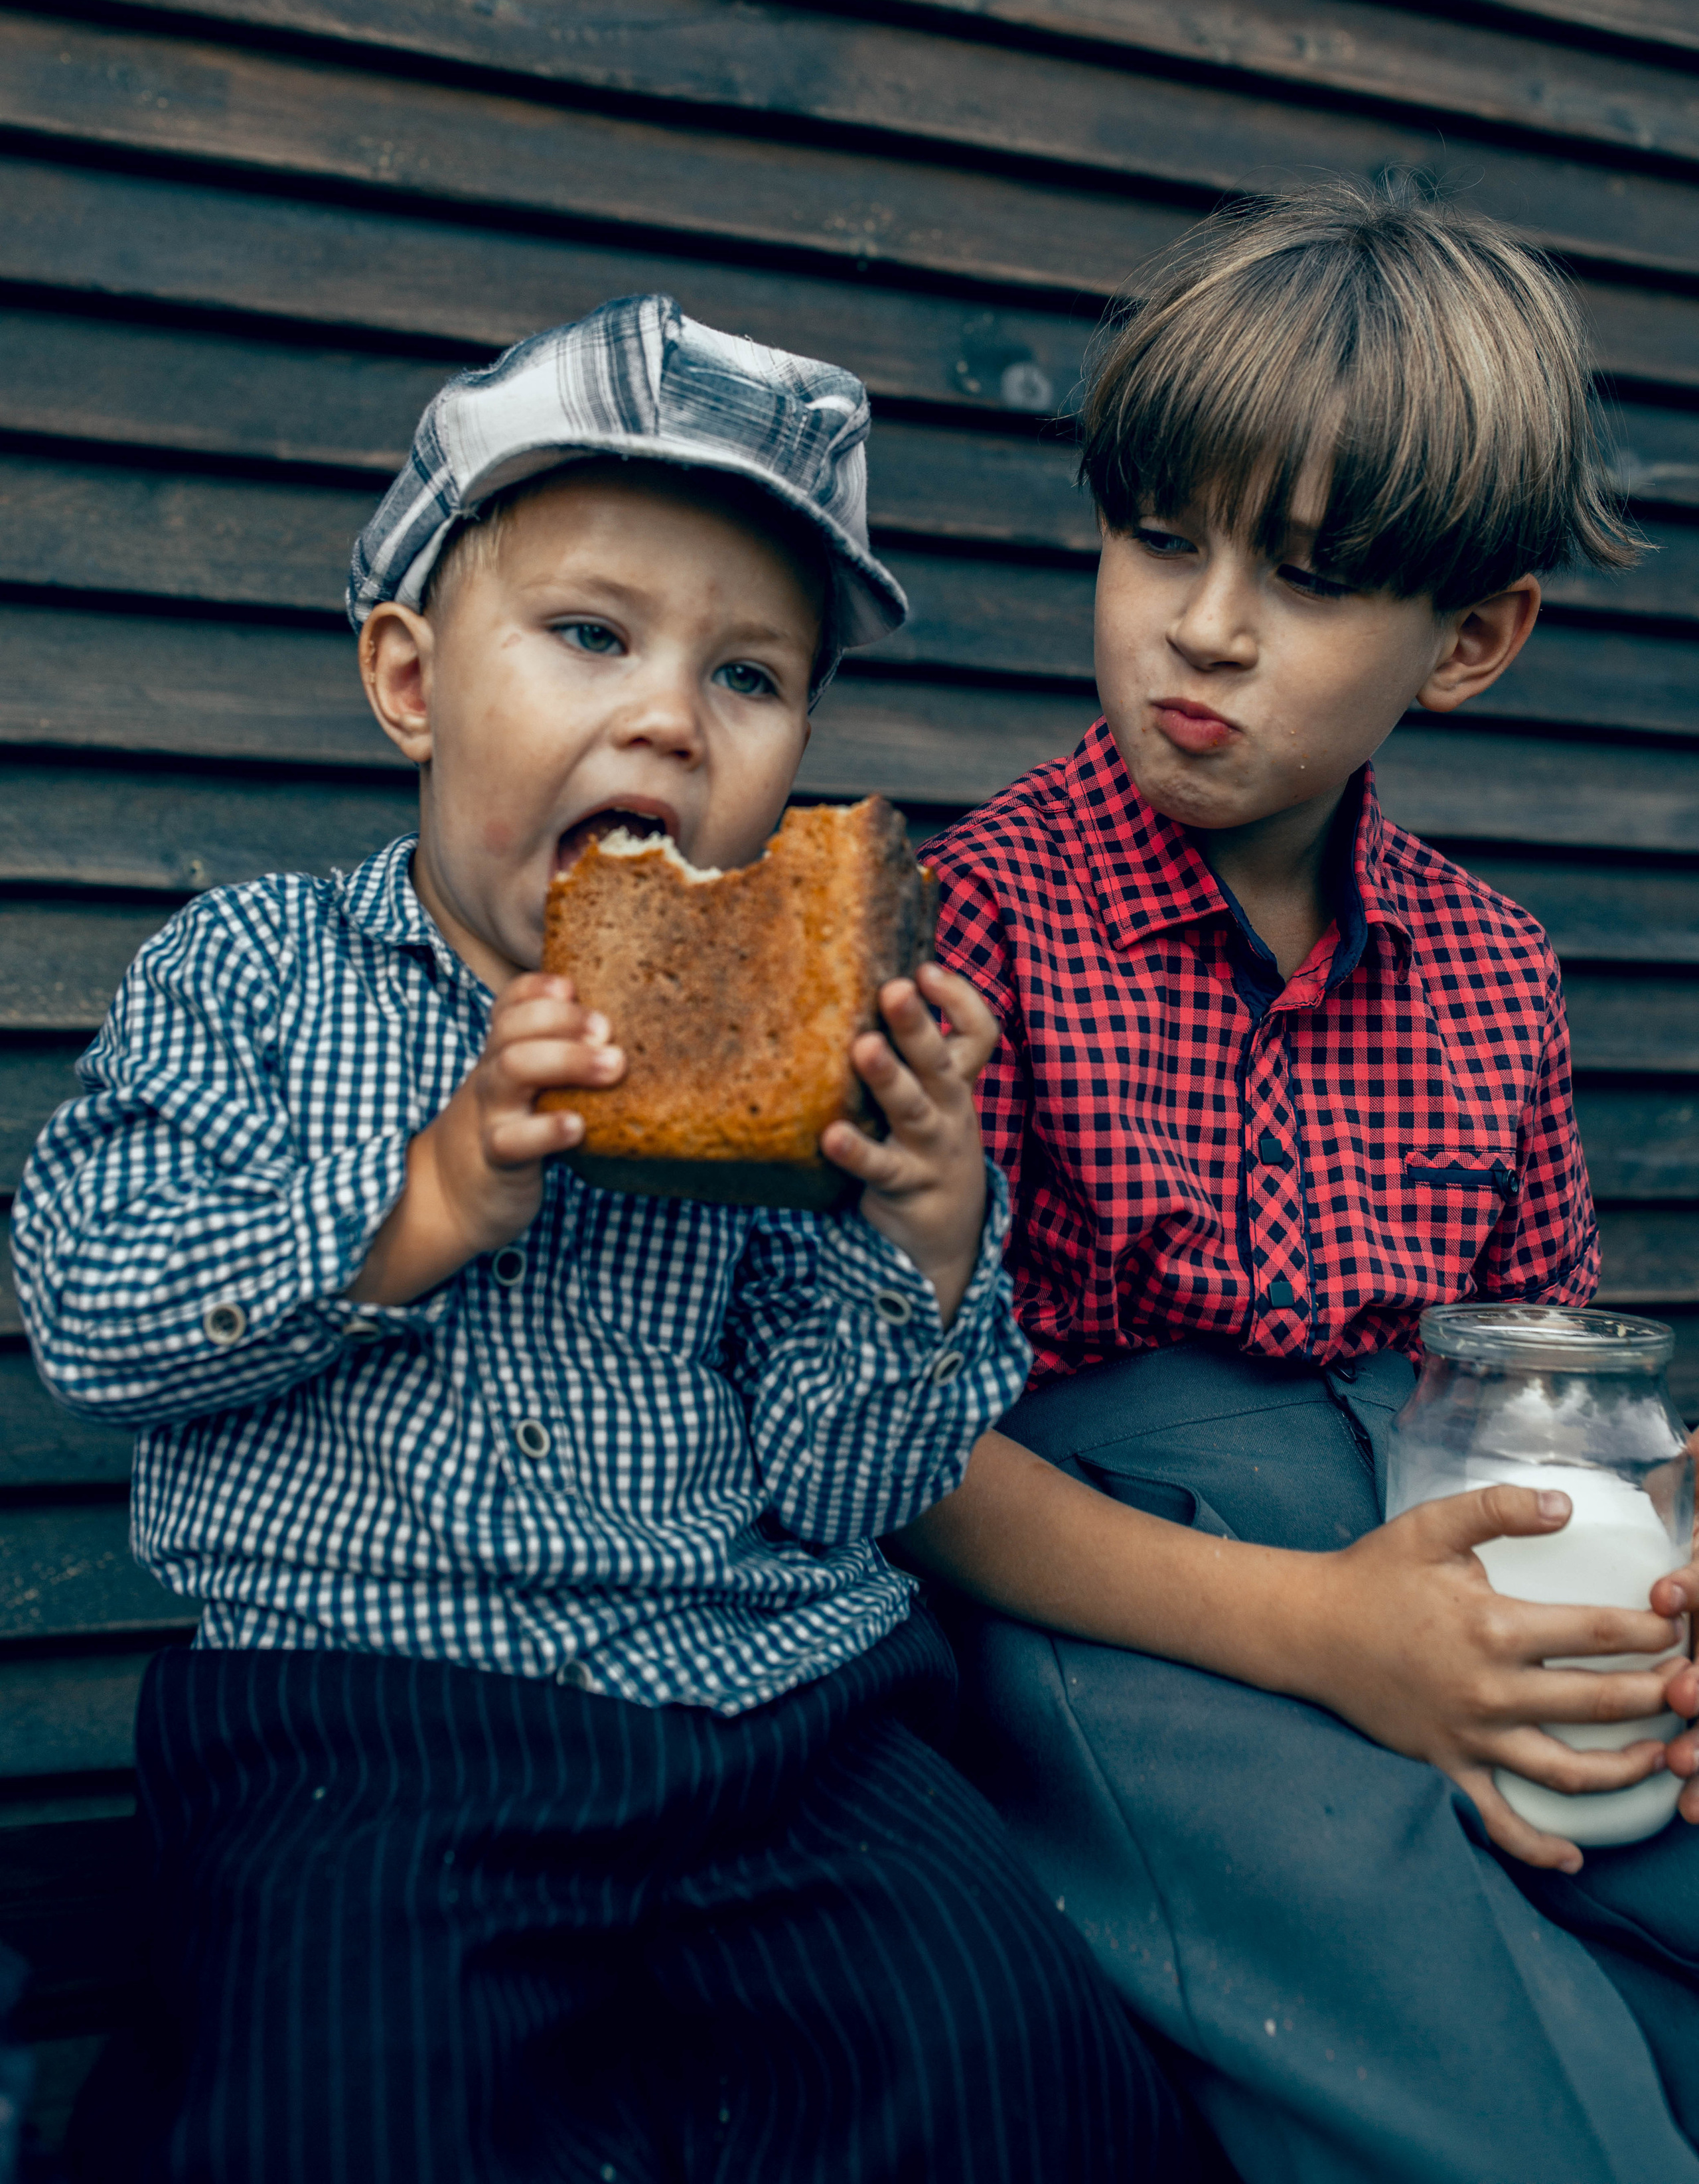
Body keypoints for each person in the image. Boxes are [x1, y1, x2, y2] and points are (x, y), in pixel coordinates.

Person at [11, 296, 1195, 2184]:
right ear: (410, 679)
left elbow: (844, 1482)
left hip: (776, 1710)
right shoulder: (252, 972)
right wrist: (424, 1204)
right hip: (368, 1723)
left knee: (1010, 2060)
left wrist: (925, 1232)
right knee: (348, 2108)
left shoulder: (795, 1048)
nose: (667, 716)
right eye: (590, 635)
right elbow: (89, 1312)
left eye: (751, 676)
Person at [902, 189, 1699, 2184]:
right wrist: (1329, 1633)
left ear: (1474, 638)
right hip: (1117, 1613)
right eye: (1163, 536)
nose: (1207, 624)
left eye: (1313, 575)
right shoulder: (974, 924)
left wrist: (1654, 1601)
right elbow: (901, 1447)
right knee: (1510, 2096)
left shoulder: (1493, 967)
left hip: (1434, 1548)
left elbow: (1550, 1395)